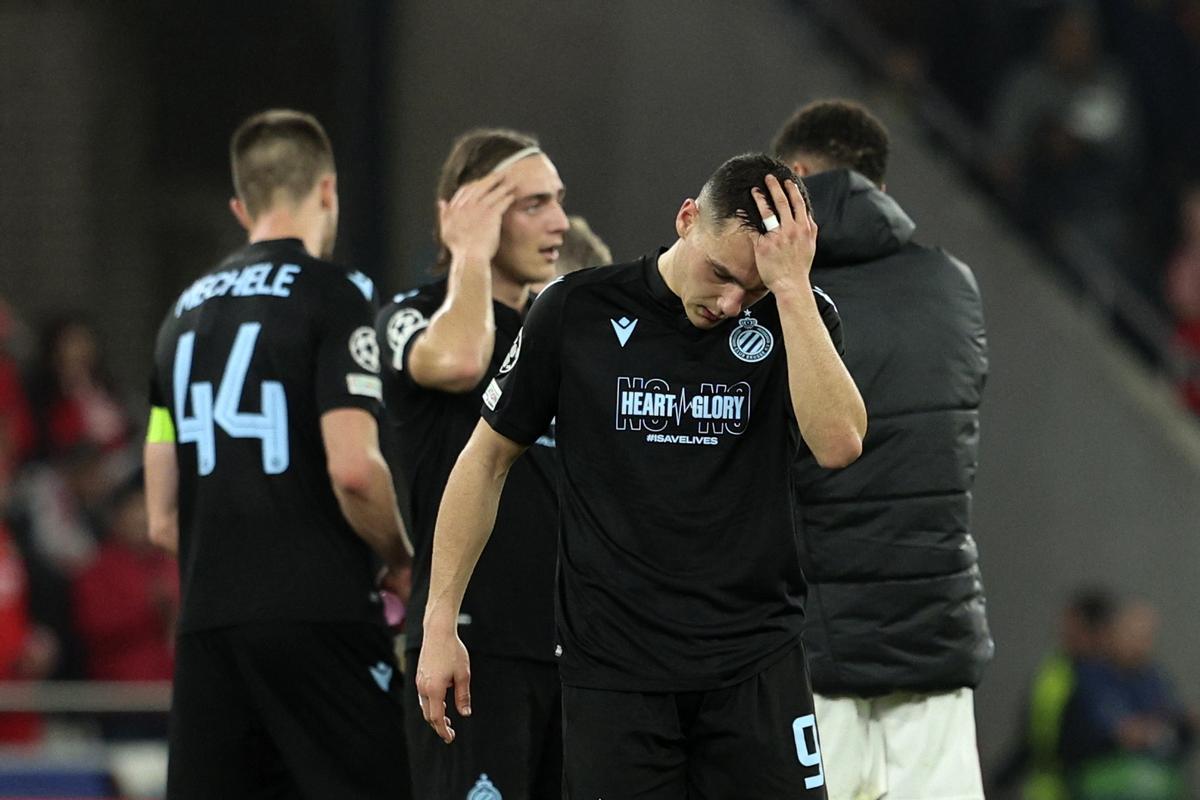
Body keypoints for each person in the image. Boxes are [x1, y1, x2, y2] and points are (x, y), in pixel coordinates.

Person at [416, 153, 867, 798]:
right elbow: (484, 460)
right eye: (720, 274)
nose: (734, 303)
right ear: (686, 219)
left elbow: (840, 444)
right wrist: (439, 621)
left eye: (755, 287)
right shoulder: (576, 311)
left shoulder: (797, 317)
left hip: (755, 663)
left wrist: (790, 289)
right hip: (614, 673)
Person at [143, 109, 413, 799]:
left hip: (207, 627)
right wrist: (401, 556)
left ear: (240, 205)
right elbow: (354, 468)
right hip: (316, 614)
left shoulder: (178, 319)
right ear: (328, 190)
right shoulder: (337, 294)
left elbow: (161, 518)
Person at [773, 98, 991, 800]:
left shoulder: (772, 302)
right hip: (933, 637)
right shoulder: (951, 284)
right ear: (881, 189)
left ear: (796, 174)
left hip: (812, 653)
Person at [376, 128, 567, 799]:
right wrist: (469, 254)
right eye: (534, 204)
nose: (560, 223)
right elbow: (459, 362)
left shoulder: (558, 330)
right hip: (468, 651)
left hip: (572, 653)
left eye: (558, 202)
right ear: (467, 212)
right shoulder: (411, 316)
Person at [1059, 598, 1195, 800]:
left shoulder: (1153, 678)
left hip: (1155, 783)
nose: (1142, 645)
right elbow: (1121, 730)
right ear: (1114, 633)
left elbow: (1172, 720)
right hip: (1101, 784)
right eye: (1134, 635)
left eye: (1148, 637)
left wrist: (1184, 723)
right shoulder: (1091, 676)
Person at [992, 586, 1120, 800]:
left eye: (1070, 623)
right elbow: (1035, 740)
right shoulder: (1055, 676)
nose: (1062, 629)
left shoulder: (1111, 676)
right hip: (1058, 789)